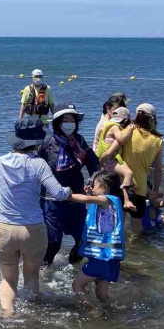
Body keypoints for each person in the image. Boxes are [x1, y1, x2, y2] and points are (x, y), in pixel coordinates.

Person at [0, 118, 71, 316]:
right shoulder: (39, 164)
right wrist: (69, 190)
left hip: (4, 227)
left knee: (8, 279)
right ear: (37, 142)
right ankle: (32, 319)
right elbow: (58, 194)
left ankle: (8, 316)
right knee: (32, 276)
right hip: (33, 229)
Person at [38, 103, 99, 268]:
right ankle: (42, 272)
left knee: (82, 239)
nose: (69, 122)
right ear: (57, 122)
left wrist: (92, 181)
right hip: (52, 200)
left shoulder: (79, 140)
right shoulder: (46, 143)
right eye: (65, 119)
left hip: (76, 197)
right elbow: (33, 168)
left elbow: (94, 164)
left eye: (72, 119)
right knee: (54, 243)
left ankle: (74, 269)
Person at [69, 171, 125, 315]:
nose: (92, 189)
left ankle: (93, 310)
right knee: (101, 293)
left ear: (104, 187)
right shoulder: (115, 201)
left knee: (77, 285)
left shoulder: (105, 200)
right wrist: (92, 194)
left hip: (100, 258)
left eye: (94, 186)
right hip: (111, 259)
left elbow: (83, 199)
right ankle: (115, 312)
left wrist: (65, 195)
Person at [116, 103, 164, 232]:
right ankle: (137, 251)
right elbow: (158, 170)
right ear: (153, 119)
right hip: (139, 188)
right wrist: (154, 191)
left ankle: (121, 248)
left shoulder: (127, 131)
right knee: (137, 227)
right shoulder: (157, 141)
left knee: (117, 225)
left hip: (119, 184)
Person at [96, 107, 136, 209]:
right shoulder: (114, 127)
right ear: (125, 120)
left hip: (111, 159)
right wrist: (130, 129)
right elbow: (121, 139)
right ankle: (127, 200)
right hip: (109, 160)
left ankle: (122, 198)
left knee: (121, 179)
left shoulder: (109, 124)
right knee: (128, 173)